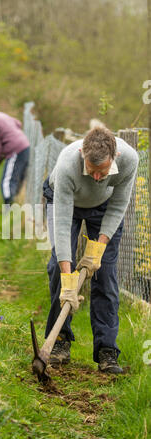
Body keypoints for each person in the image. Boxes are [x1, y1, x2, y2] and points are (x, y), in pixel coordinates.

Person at [43, 126, 139, 374]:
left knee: (105, 276)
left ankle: (107, 350)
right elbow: (63, 223)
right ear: (81, 154)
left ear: (114, 158)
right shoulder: (67, 165)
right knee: (57, 268)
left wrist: (97, 250)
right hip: (66, 203)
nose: (96, 177)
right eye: (91, 170)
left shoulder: (128, 159)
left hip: (104, 209)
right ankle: (59, 342)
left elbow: (118, 206)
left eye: (102, 171)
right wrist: (68, 281)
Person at [0, 107, 30, 204]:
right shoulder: (0, 115)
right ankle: (16, 202)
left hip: (15, 149)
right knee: (17, 178)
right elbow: (18, 123)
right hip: (25, 145)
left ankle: (8, 205)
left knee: (7, 181)